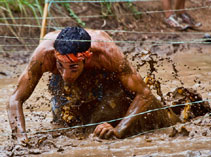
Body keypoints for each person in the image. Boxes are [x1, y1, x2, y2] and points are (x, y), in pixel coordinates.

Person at [7, 27, 180, 143]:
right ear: (54, 55)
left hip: (104, 78)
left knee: (103, 118)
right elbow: (15, 99)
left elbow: (144, 94)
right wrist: (21, 138)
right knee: (64, 120)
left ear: (87, 58)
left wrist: (119, 130)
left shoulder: (107, 53)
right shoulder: (44, 55)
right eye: (60, 66)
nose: (66, 75)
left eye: (73, 67)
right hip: (58, 79)